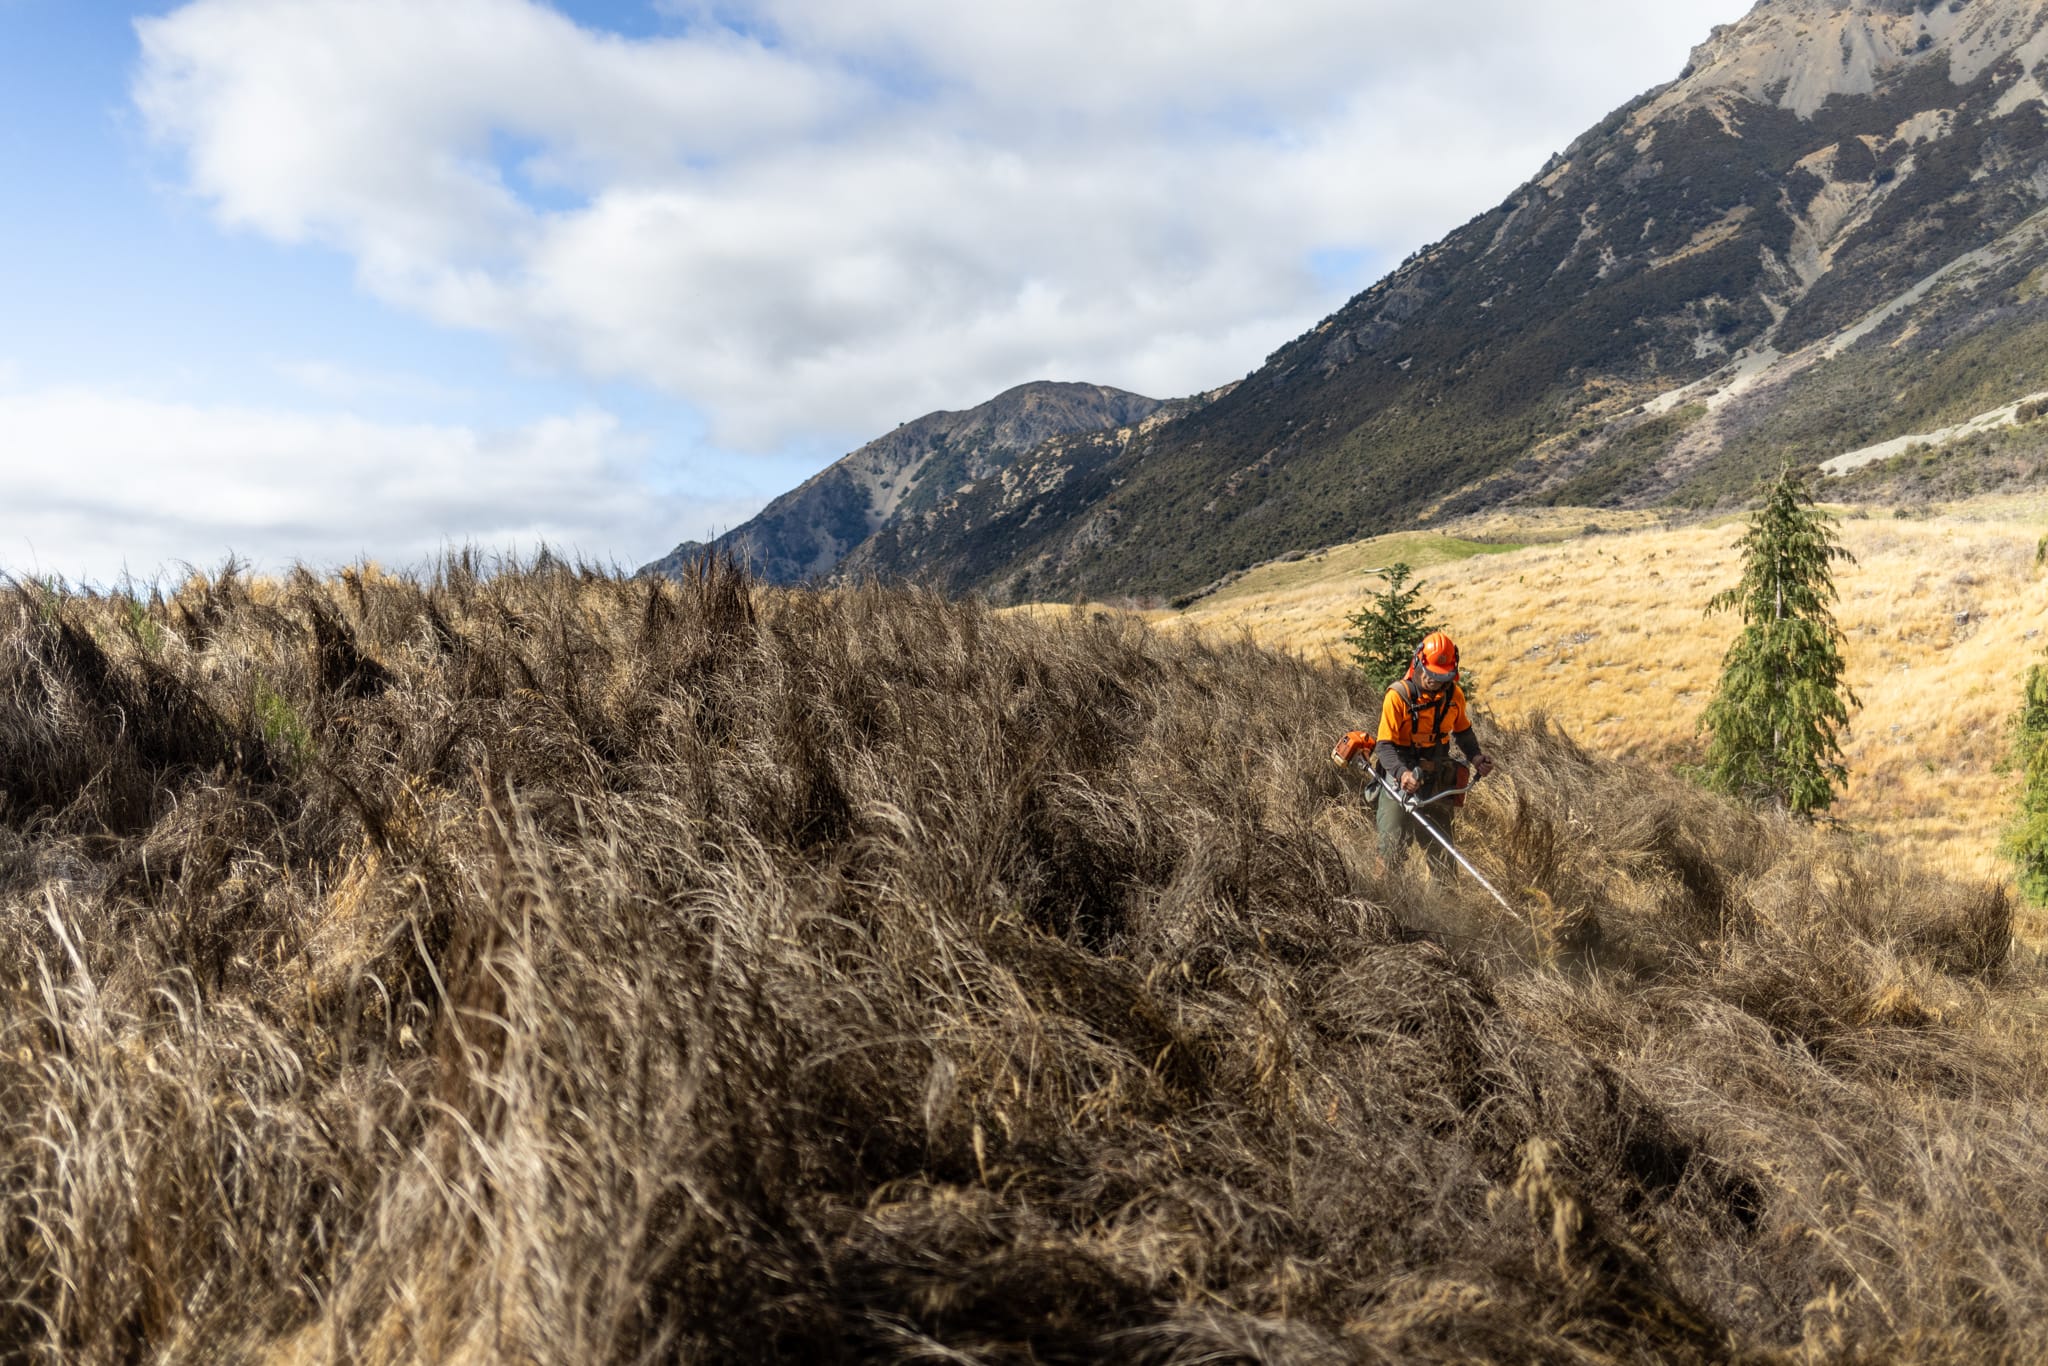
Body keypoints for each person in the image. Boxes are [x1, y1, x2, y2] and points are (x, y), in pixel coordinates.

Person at [1375, 631, 1495, 873]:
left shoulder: (1454, 696)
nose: (1435, 681)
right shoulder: (1397, 697)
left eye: (1442, 676)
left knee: (1443, 858)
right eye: (1431, 674)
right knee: (1390, 853)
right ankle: (1383, 903)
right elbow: (1384, 746)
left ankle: (1447, 905)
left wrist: (1476, 757)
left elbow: (1463, 732)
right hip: (1400, 778)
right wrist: (1402, 773)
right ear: (1418, 663)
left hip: (1436, 779)